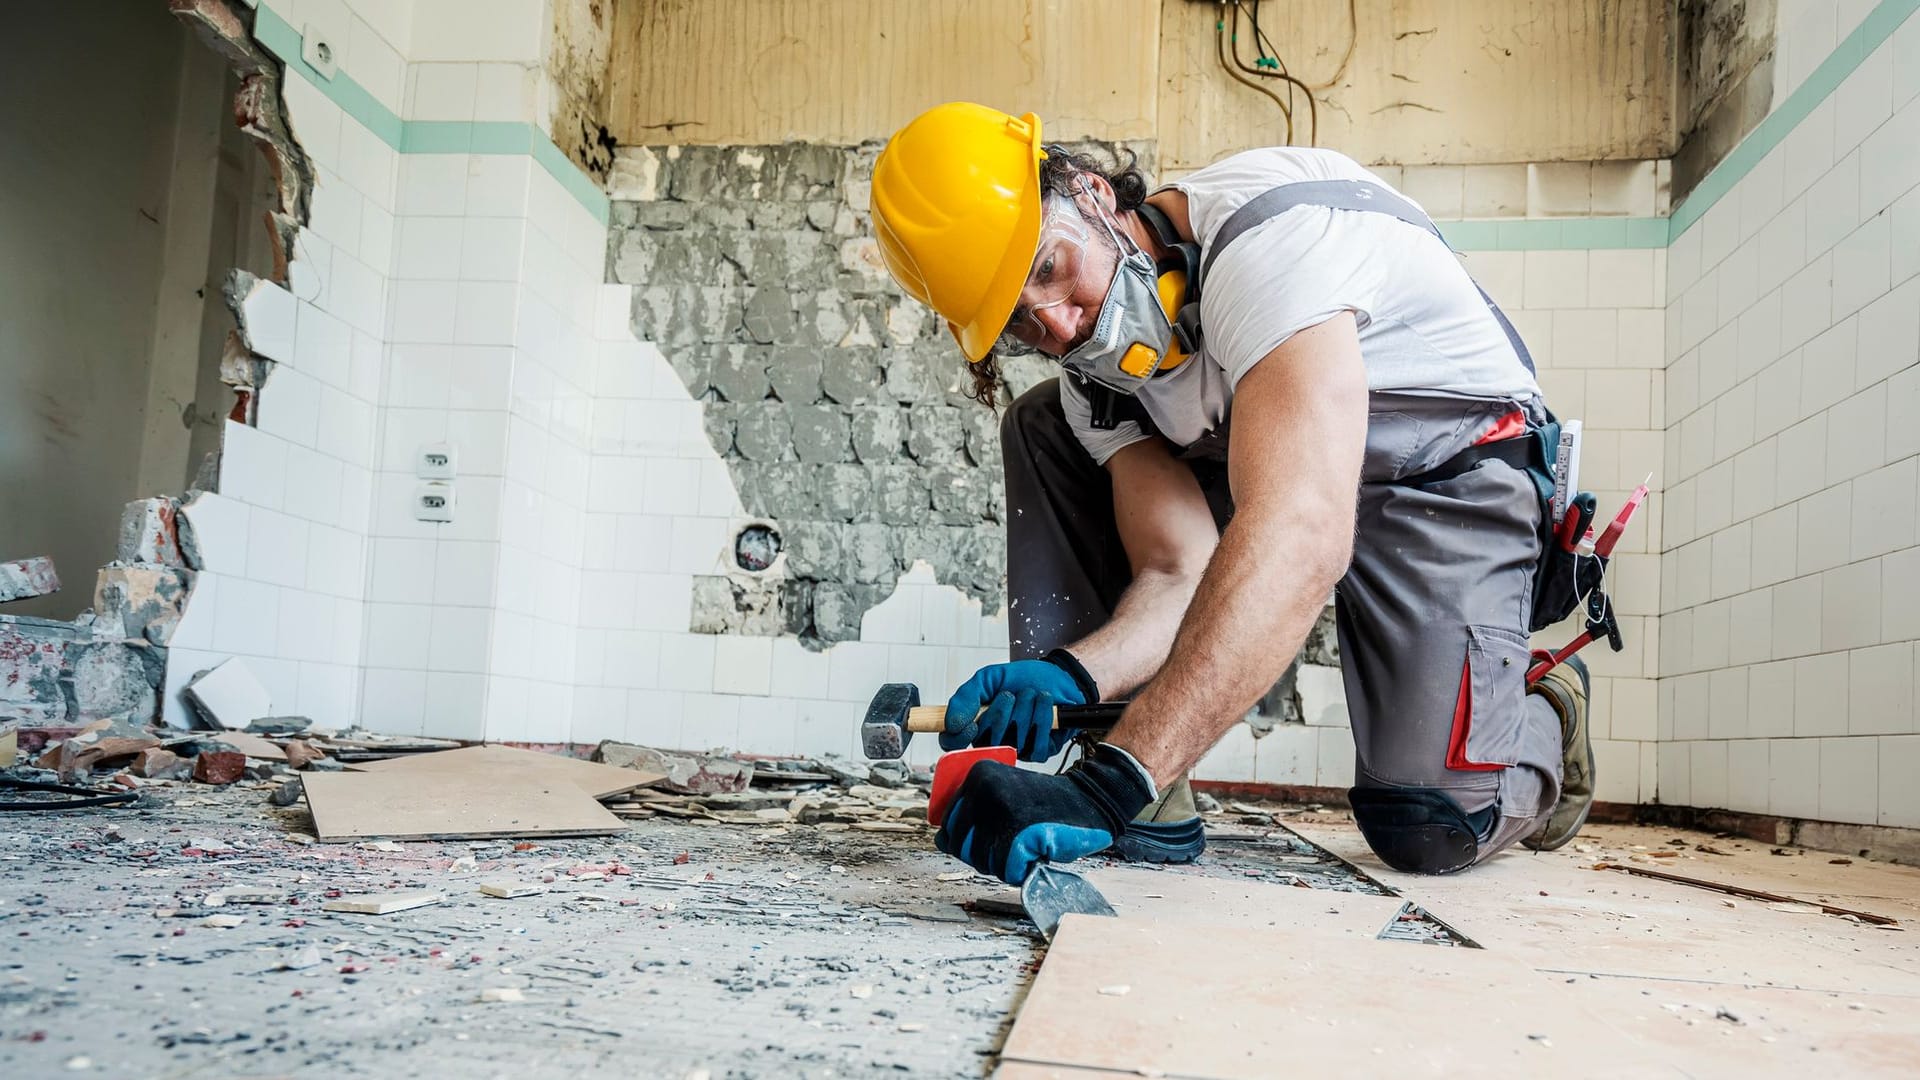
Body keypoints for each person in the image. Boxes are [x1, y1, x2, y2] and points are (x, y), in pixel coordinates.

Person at [868, 102, 1598, 884]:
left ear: (1089, 193)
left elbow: (1302, 531)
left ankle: (1545, 708)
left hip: (1446, 472)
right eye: (1018, 323)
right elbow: (1178, 569)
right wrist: (1071, 675)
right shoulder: (1098, 385)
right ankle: (1140, 769)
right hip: (1284, 462)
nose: (1060, 325)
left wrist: (1107, 790)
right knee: (1044, 421)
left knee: (1434, 824)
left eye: (1047, 268)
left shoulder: (1268, 245)